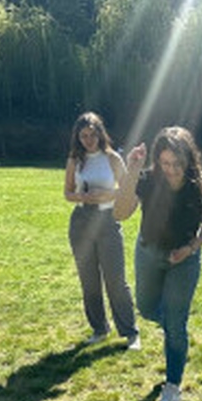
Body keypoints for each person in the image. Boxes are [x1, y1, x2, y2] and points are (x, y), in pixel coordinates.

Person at [114, 126, 202, 401]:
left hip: (183, 260)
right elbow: (119, 213)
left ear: (189, 160)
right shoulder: (148, 180)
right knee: (146, 308)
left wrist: (190, 248)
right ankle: (175, 330)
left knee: (175, 323)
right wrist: (132, 170)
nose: (171, 170)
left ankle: (172, 386)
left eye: (177, 164)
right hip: (148, 253)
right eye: (165, 163)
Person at [64, 112, 139, 349]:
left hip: (107, 220)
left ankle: (130, 332)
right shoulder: (75, 160)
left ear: (100, 134)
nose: (88, 140)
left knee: (116, 280)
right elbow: (67, 193)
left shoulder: (112, 158)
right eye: (83, 136)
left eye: (92, 135)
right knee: (89, 280)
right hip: (81, 221)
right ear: (78, 137)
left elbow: (128, 190)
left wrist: (106, 195)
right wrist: (83, 196)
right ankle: (99, 328)